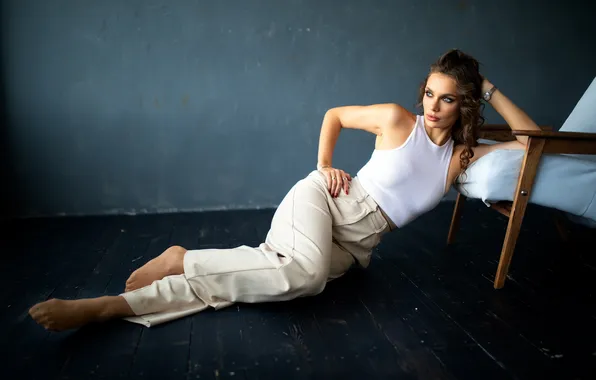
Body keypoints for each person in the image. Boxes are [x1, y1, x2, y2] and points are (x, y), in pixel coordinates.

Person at [29, 49, 541, 331]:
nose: (432, 105)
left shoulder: (459, 158)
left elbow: (530, 140)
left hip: (359, 244)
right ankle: (177, 263)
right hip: (326, 198)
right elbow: (334, 115)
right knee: (304, 275)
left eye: (447, 99)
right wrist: (325, 165)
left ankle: (116, 305)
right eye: (429, 93)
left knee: (267, 277)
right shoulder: (395, 119)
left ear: (464, 106)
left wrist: (489, 86)